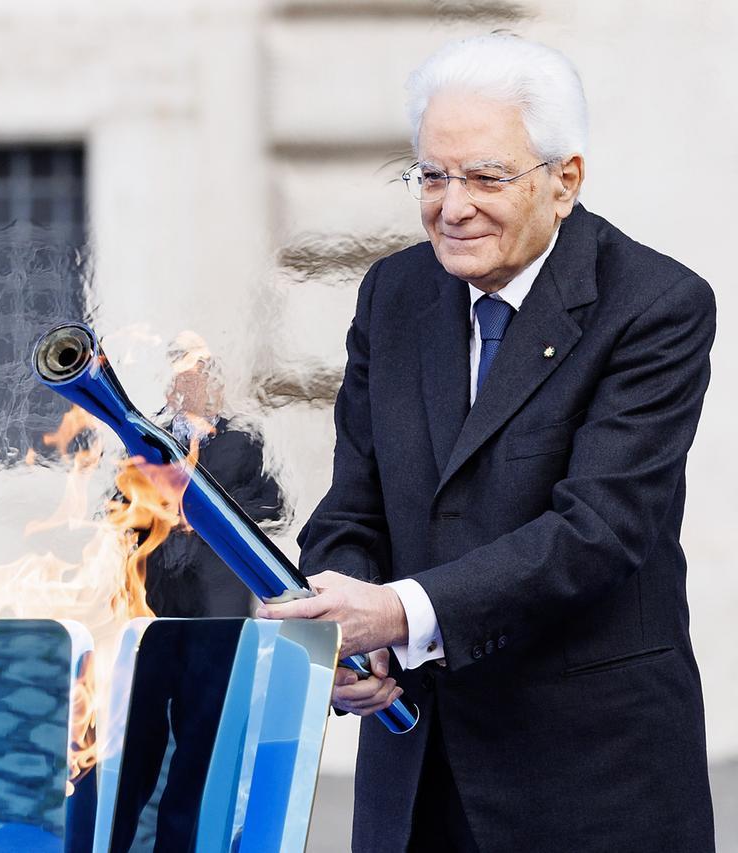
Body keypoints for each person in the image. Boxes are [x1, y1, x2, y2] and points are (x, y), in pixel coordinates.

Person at [258, 34, 716, 852]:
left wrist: (395, 612)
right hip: (416, 771)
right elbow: (354, 506)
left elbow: (598, 530)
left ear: (564, 181)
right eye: (431, 175)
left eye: (486, 175)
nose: (452, 204)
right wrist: (343, 636)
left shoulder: (657, 306)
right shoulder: (393, 294)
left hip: (592, 782)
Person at [144, 331, 284, 617]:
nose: (190, 387)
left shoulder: (243, 440)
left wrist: (212, 513)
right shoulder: (149, 439)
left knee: (223, 655)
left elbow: (273, 506)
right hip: (162, 590)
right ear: (170, 388)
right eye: (183, 379)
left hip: (221, 587)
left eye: (199, 378)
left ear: (214, 387)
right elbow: (122, 506)